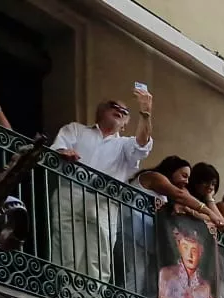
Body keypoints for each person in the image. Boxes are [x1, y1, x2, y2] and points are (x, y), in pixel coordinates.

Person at [51, 91, 155, 282]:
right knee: (66, 251)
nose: (119, 111)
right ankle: (64, 296)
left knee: (98, 255)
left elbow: (142, 146)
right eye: (114, 107)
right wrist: (63, 153)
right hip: (69, 194)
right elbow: (56, 150)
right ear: (101, 112)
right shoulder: (76, 130)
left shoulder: (125, 145)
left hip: (102, 202)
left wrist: (145, 114)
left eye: (124, 112)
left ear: (125, 125)